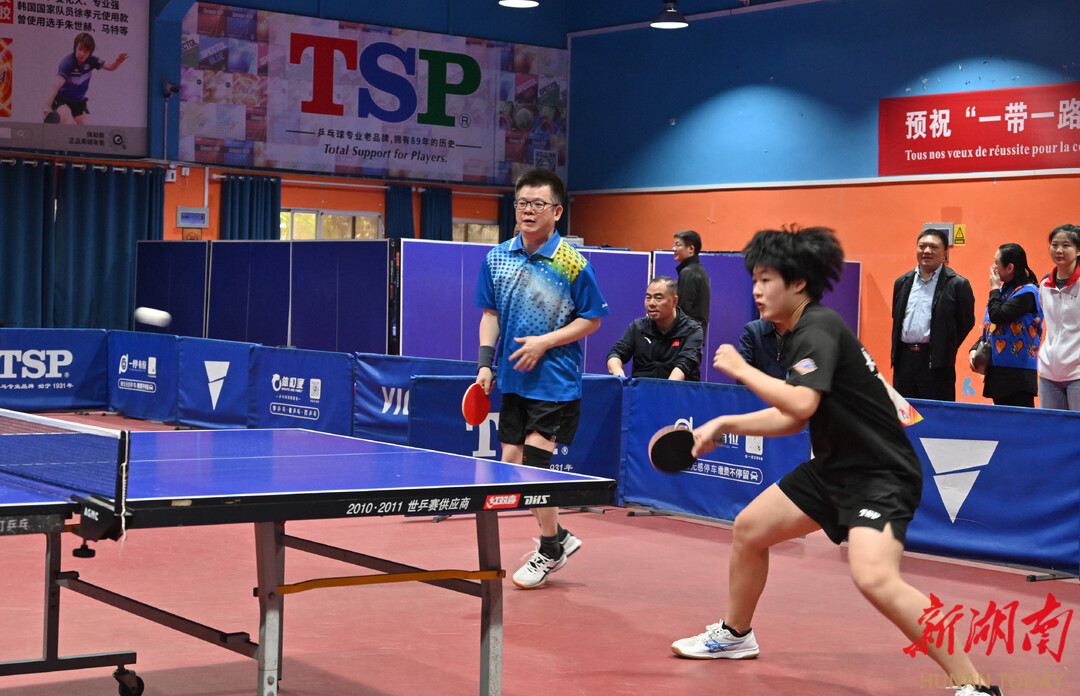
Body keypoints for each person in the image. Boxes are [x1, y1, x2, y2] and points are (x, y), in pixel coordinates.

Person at [672, 226, 1002, 696]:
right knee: (749, 529)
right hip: (834, 468)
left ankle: (976, 686)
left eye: (766, 280)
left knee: (874, 577)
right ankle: (736, 634)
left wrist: (743, 370)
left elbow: (800, 403)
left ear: (798, 282)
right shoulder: (802, 333)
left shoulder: (818, 328)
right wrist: (725, 423)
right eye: (754, 280)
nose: (757, 290)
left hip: (879, 474)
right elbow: (794, 417)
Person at [474, 168, 609, 589]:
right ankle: (560, 537)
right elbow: (490, 315)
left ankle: (550, 548)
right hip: (514, 379)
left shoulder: (572, 262)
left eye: (537, 204)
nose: (528, 211)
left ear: (557, 211)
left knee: (535, 465)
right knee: (511, 464)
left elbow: (592, 319)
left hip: (555, 380)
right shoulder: (497, 257)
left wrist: (544, 342)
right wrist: (485, 363)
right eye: (522, 203)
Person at [890, 228, 975, 401]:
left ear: (944, 253)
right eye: (922, 246)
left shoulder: (957, 284)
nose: (927, 251)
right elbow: (896, 317)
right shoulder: (902, 282)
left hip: (937, 364)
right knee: (905, 413)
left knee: (937, 413)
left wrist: (944, 346)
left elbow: (965, 322)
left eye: (933, 247)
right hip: (904, 361)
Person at [967, 243, 1041, 407]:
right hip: (998, 371)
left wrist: (994, 288)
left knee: (1019, 420)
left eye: (996, 263)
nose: (992, 267)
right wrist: (975, 348)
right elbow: (992, 328)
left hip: (1017, 374)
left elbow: (998, 316)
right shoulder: (1004, 292)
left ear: (1009, 268)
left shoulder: (1028, 293)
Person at [606, 276, 703, 381]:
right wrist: (618, 373)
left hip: (677, 389)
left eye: (658, 298)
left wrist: (665, 388)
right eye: (648, 298)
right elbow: (616, 353)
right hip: (642, 389)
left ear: (674, 301)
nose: (651, 303)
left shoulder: (692, 330)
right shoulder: (638, 327)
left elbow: (685, 364)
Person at [1037, 223, 1080, 411]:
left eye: (1066, 245)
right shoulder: (1044, 285)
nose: (1059, 250)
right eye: (1054, 245)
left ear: (1078, 251)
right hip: (1048, 373)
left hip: (1077, 373)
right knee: (1051, 427)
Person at [42, 33, 128, 125]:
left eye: (86, 51)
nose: (82, 53)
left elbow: (110, 67)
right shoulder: (67, 63)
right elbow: (56, 85)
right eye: (80, 49)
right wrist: (47, 105)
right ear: (75, 47)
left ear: (90, 52)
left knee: (88, 128)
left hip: (79, 102)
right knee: (69, 123)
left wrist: (117, 62)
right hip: (62, 101)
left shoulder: (92, 60)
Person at [673, 230, 711, 337]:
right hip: (695, 335)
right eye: (674, 245)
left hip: (686, 336)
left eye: (678, 245)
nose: (674, 249)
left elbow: (682, 310)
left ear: (691, 249)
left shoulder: (688, 273)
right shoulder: (699, 270)